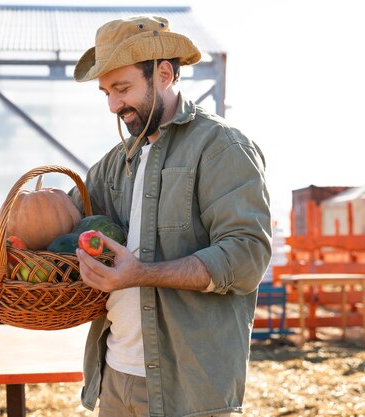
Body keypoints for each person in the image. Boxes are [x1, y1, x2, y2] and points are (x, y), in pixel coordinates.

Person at [68, 15, 272, 417]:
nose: (113, 105)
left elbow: (246, 256)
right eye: (106, 92)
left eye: (123, 88)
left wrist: (141, 273)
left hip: (188, 388)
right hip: (113, 375)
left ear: (163, 73)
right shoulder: (113, 165)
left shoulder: (220, 147)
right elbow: (62, 227)